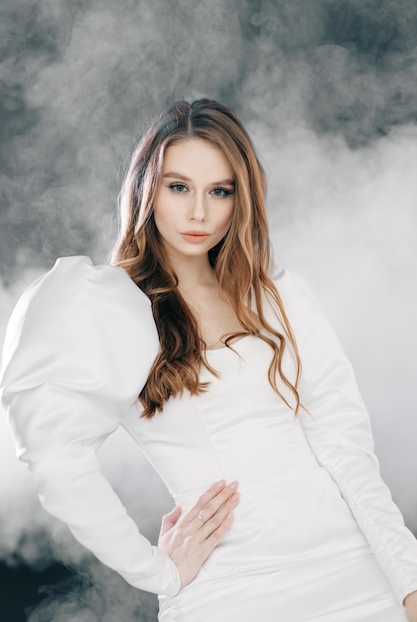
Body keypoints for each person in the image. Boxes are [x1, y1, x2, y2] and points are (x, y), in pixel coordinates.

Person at [1, 98, 417, 622]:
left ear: (240, 198)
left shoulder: (276, 293)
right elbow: (55, 463)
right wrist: (155, 571)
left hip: (357, 578)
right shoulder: (103, 308)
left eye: (219, 191)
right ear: (145, 190)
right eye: (179, 188)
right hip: (230, 593)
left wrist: (408, 580)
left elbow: (347, 451)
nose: (199, 212)